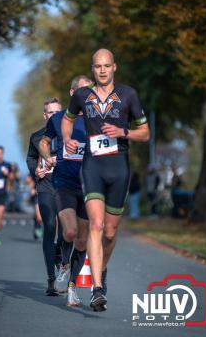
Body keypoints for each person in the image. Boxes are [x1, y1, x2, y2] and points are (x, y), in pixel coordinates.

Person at [61, 48, 150, 311]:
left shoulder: (128, 95)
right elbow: (67, 120)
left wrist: (124, 132)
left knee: (110, 233)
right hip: (92, 167)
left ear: (114, 68)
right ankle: (97, 289)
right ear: (93, 69)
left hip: (119, 168)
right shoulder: (81, 96)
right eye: (97, 66)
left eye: (106, 65)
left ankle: (101, 270)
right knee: (96, 224)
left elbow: (145, 133)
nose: (102, 70)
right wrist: (67, 138)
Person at [40, 75, 91, 306]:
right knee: (69, 232)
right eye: (83, 91)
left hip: (91, 186)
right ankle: (62, 262)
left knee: (82, 240)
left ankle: (72, 288)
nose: (87, 95)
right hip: (65, 183)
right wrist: (46, 157)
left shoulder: (95, 120)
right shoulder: (59, 118)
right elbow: (43, 142)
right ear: (72, 94)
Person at [26, 97, 62, 296]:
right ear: (45, 115)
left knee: (67, 233)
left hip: (66, 187)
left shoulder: (70, 134)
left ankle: (58, 253)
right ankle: (51, 279)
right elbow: (31, 158)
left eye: (58, 112)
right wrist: (35, 171)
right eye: (50, 113)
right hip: (45, 186)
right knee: (49, 227)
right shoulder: (36, 137)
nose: (54, 115)